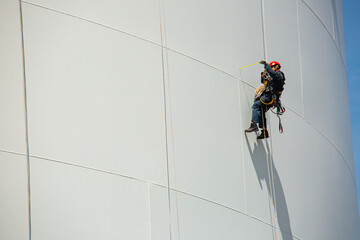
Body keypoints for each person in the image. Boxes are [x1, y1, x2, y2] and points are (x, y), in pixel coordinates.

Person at [245, 60, 285, 139]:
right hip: (270, 98)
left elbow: (273, 74)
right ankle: (264, 131)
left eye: (272, 67)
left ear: (276, 67)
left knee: (256, 106)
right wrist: (263, 75)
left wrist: (266, 65)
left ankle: (254, 124)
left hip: (269, 97)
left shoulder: (279, 75)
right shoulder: (274, 78)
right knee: (261, 111)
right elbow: (263, 81)